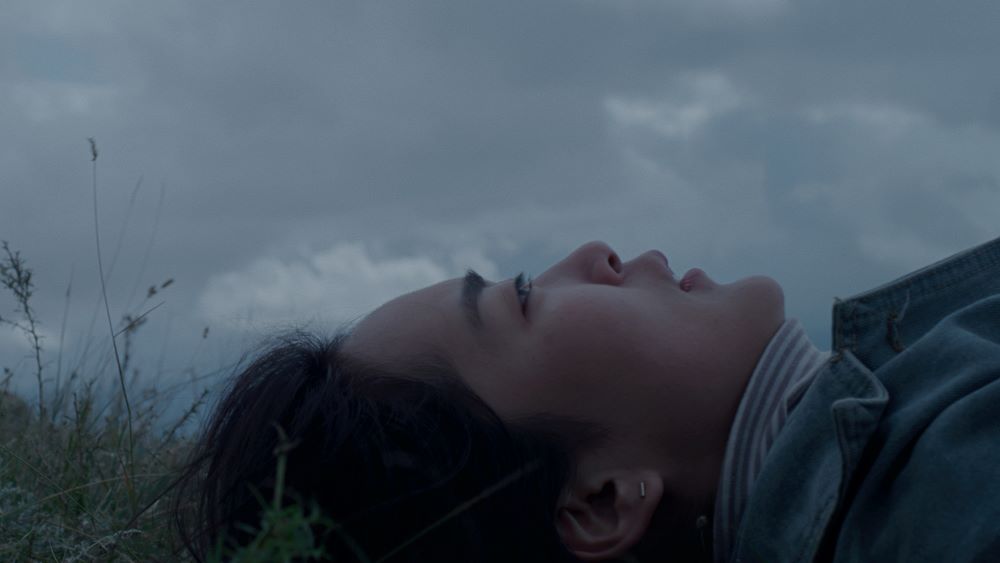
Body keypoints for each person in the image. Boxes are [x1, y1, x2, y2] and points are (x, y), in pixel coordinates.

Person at [174, 236, 1000, 562]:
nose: (594, 254)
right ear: (602, 501)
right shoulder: (947, 491)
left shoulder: (910, 424)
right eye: (525, 297)